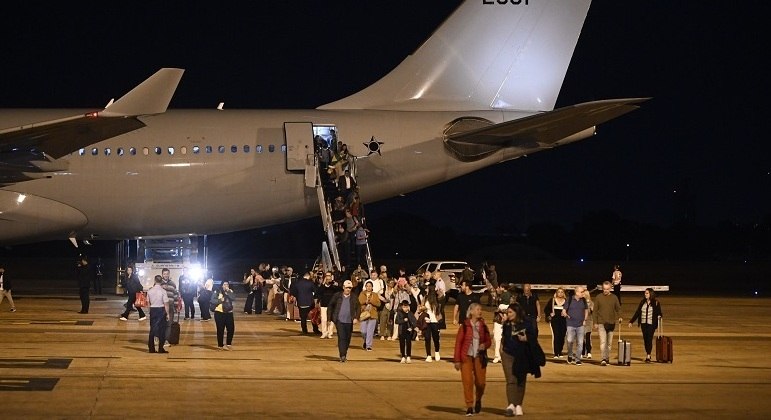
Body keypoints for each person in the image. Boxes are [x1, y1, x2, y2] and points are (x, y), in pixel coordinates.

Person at [501, 303, 542, 417]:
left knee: (520, 380)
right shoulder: (507, 324)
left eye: (510, 312)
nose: (508, 315)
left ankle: (518, 404)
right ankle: (511, 405)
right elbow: (504, 338)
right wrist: (501, 350)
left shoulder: (527, 323)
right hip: (508, 354)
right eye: (507, 312)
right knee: (511, 379)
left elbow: (534, 337)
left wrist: (526, 338)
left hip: (522, 355)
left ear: (517, 312)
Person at [454, 303, 491, 416]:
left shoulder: (483, 326)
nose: (480, 311)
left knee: (481, 382)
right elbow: (458, 343)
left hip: (479, 357)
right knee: (467, 382)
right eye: (478, 309)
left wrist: (484, 345)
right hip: (466, 357)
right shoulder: (464, 326)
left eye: (480, 309)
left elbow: (489, 341)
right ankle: (469, 406)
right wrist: (457, 360)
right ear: (471, 312)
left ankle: (478, 399)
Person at [328, 280, 361, 362]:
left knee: (348, 338)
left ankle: (344, 353)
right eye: (347, 288)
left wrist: (356, 317)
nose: (348, 289)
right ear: (343, 287)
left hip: (349, 321)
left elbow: (358, 307)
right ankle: (342, 355)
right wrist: (329, 318)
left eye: (350, 288)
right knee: (342, 337)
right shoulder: (337, 296)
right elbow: (330, 306)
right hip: (339, 320)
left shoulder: (354, 297)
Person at [629, 288, 663, 363]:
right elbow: (637, 312)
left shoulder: (656, 302)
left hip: (651, 324)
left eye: (647, 293)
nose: (645, 294)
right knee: (645, 339)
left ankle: (648, 355)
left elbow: (660, 313)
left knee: (649, 338)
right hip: (643, 323)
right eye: (645, 293)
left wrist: (659, 316)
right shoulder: (642, 302)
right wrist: (631, 321)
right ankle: (648, 353)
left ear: (651, 294)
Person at [593, 281, 622, 366]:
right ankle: (603, 359)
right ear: (602, 288)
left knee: (609, 343)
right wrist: (595, 322)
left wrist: (620, 316)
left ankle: (607, 358)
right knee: (603, 342)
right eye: (604, 289)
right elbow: (595, 311)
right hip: (601, 323)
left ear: (610, 289)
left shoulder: (614, 297)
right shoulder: (598, 297)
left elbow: (618, 309)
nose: (605, 291)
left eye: (607, 289)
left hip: (611, 323)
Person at [563, 286, 589, 365]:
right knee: (569, 341)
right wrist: (565, 314)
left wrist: (585, 320)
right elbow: (564, 310)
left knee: (580, 343)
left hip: (580, 325)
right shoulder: (569, 299)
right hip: (570, 324)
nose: (583, 293)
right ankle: (570, 355)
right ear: (577, 292)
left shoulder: (583, 300)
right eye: (581, 292)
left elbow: (586, 310)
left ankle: (578, 359)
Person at [147, 275, 169, 353]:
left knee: (152, 330)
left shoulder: (150, 291)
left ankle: (151, 348)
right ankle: (160, 348)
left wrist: (150, 311)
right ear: (161, 281)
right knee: (162, 330)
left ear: (155, 281)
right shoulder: (163, 291)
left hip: (153, 309)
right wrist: (167, 314)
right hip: (161, 309)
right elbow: (166, 303)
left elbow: (148, 303)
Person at [212, 281, 236, 350]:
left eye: (227, 284)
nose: (226, 286)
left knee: (231, 329)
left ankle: (229, 344)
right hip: (219, 312)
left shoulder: (230, 291)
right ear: (222, 285)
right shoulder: (217, 291)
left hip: (229, 313)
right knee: (220, 330)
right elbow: (212, 300)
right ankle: (220, 345)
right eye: (224, 284)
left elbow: (233, 298)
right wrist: (220, 300)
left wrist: (228, 291)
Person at [544, 287, 568, 359]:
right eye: (559, 292)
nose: (560, 293)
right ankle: (556, 352)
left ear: (563, 293)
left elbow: (570, 310)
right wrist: (550, 313)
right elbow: (546, 309)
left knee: (562, 336)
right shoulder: (552, 300)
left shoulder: (566, 301)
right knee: (556, 335)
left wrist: (566, 313)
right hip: (555, 321)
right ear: (556, 293)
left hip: (564, 321)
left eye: (561, 292)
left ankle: (560, 351)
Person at [358, 280, 381, 351]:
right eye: (367, 286)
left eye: (370, 286)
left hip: (373, 314)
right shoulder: (362, 293)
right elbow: (359, 301)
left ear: (372, 287)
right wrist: (365, 302)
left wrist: (371, 301)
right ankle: (365, 341)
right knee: (363, 331)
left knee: (370, 331)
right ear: (365, 287)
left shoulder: (375, 294)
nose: (368, 287)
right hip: (364, 314)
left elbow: (378, 304)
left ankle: (368, 345)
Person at [318, 272, 341, 339]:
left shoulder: (334, 286)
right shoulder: (322, 286)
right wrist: (323, 284)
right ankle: (324, 332)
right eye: (327, 276)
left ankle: (330, 333)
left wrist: (334, 284)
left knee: (331, 320)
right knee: (324, 319)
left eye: (329, 276)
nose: (328, 278)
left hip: (332, 305)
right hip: (324, 305)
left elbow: (339, 290)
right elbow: (318, 293)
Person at [159, 268, 179, 348]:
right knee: (160, 324)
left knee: (169, 324)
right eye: (164, 274)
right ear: (162, 274)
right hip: (161, 306)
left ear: (169, 274)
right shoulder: (159, 284)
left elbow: (175, 296)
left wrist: (176, 306)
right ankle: (159, 338)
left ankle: (166, 340)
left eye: (167, 274)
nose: (166, 275)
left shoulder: (173, 284)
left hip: (170, 307)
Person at [423, 287, 443, 362]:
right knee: (427, 338)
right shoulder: (426, 298)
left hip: (435, 321)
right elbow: (421, 306)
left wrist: (439, 292)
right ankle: (428, 355)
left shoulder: (437, 299)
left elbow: (443, 298)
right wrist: (423, 308)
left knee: (436, 338)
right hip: (427, 320)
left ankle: (437, 352)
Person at [582, 289, 594, 359]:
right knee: (581, 338)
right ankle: (582, 352)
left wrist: (592, 309)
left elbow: (593, 312)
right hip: (581, 322)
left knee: (587, 337)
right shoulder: (580, 302)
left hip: (589, 322)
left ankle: (589, 352)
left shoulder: (591, 303)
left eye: (584, 294)